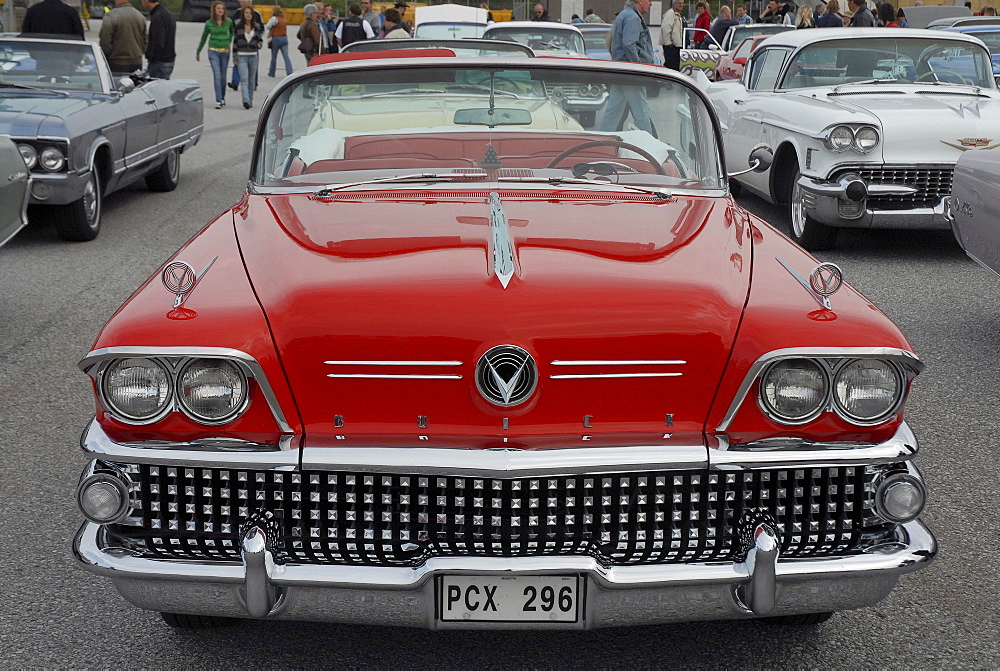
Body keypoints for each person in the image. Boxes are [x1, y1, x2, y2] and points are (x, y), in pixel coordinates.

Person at [599, 0, 655, 134]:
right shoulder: (633, 18)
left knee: (613, 112)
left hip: (621, 71)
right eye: (649, 0)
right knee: (642, 113)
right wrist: (638, 67)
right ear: (640, 1)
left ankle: (602, 141)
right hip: (631, 73)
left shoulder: (623, 15)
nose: (651, 4)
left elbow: (615, 44)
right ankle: (649, 146)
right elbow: (629, 44)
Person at [196, 0, 233, 108]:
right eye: (218, 8)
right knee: (217, 75)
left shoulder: (229, 22)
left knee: (223, 76)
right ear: (214, 10)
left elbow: (232, 32)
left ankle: (222, 96)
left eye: (222, 8)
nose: (220, 10)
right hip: (213, 50)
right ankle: (218, 99)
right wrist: (198, 51)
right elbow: (204, 37)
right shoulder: (209, 23)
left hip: (225, 51)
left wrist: (229, 40)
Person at [99, 0, 146, 75]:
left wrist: (105, 57)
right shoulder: (140, 16)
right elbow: (145, 40)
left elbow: (105, 41)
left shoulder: (111, 16)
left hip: (116, 62)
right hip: (136, 61)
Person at [233, 5, 263, 109]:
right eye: (246, 13)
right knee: (244, 79)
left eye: (250, 13)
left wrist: (260, 44)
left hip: (253, 55)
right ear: (243, 15)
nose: (248, 15)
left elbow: (260, 39)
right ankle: (245, 100)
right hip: (242, 55)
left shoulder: (256, 26)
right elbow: (235, 42)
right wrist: (234, 57)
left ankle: (250, 100)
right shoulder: (238, 26)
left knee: (251, 79)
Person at [228, 0, 261, 94]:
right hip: (240, 45)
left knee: (253, 66)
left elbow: (260, 28)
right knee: (237, 63)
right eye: (241, 2)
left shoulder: (256, 14)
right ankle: (235, 82)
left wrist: (258, 41)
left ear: (249, 2)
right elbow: (233, 27)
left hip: (252, 45)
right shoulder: (237, 13)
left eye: (244, 2)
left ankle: (254, 83)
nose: (242, 4)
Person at [142, 0, 175, 79]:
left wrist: (152, 58)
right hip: (169, 60)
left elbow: (158, 42)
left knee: (157, 89)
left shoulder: (157, 17)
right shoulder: (167, 13)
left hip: (160, 63)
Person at [265, 5, 293, 77]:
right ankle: (289, 71)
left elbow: (268, 26)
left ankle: (272, 72)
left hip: (276, 38)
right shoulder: (283, 19)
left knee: (274, 57)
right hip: (284, 38)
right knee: (286, 56)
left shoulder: (274, 18)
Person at [660, 0, 684, 71]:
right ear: (674, 4)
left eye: (682, 3)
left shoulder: (678, 14)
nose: (681, 5)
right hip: (671, 46)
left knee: (675, 66)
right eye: (679, 3)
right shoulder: (670, 14)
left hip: (676, 46)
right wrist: (669, 43)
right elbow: (665, 28)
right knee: (670, 66)